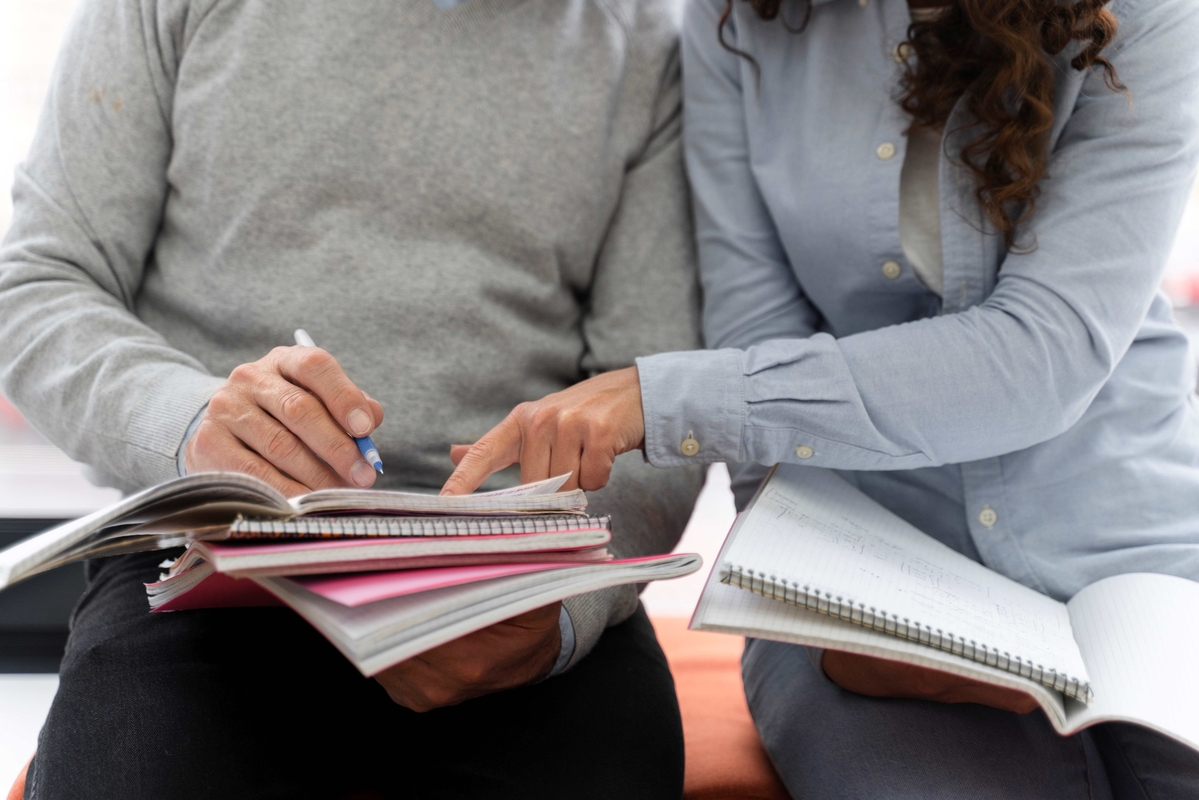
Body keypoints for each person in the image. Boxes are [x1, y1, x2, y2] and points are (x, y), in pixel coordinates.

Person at [444, 0, 1199, 795]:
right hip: (868, 580)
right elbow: (754, 331)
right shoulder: (736, 18)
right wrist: (831, 605)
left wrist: (662, 398)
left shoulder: (1141, 15)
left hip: (1131, 562)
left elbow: (1043, 354)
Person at [0, 0, 705, 795]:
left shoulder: (644, 45)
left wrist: (564, 623)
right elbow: (39, 286)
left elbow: (664, 400)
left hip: (521, 592)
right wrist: (194, 426)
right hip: (215, 559)